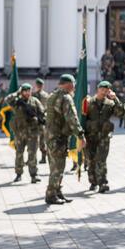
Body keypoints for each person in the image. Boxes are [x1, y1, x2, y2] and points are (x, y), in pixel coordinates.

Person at [44, 74, 85, 205]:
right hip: (59, 138)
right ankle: (51, 195)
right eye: (73, 84)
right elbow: (72, 118)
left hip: (50, 136)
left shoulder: (52, 96)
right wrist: (80, 135)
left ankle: (57, 191)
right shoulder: (66, 98)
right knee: (58, 167)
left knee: (54, 166)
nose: (74, 87)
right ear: (69, 84)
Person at [84, 81, 123, 193]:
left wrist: (116, 99)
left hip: (104, 136)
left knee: (101, 159)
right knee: (91, 160)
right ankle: (93, 181)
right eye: (102, 89)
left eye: (106, 90)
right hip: (90, 136)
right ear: (98, 89)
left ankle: (103, 183)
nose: (104, 91)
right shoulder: (89, 102)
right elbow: (83, 118)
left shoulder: (110, 103)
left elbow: (120, 113)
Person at [4, 83, 45, 183]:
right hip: (20, 133)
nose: (27, 93)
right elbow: (7, 99)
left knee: (33, 154)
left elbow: (42, 113)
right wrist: (17, 93)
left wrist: (40, 120)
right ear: (21, 92)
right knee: (19, 153)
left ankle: (34, 175)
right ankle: (18, 174)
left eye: (29, 91)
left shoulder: (35, 101)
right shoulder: (16, 102)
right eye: (24, 91)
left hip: (33, 133)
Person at [32, 78, 50, 164]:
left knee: (42, 140)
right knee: (33, 140)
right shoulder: (33, 95)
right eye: (38, 85)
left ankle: (43, 157)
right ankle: (33, 158)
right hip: (35, 120)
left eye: (39, 85)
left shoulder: (46, 96)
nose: (39, 87)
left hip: (42, 120)